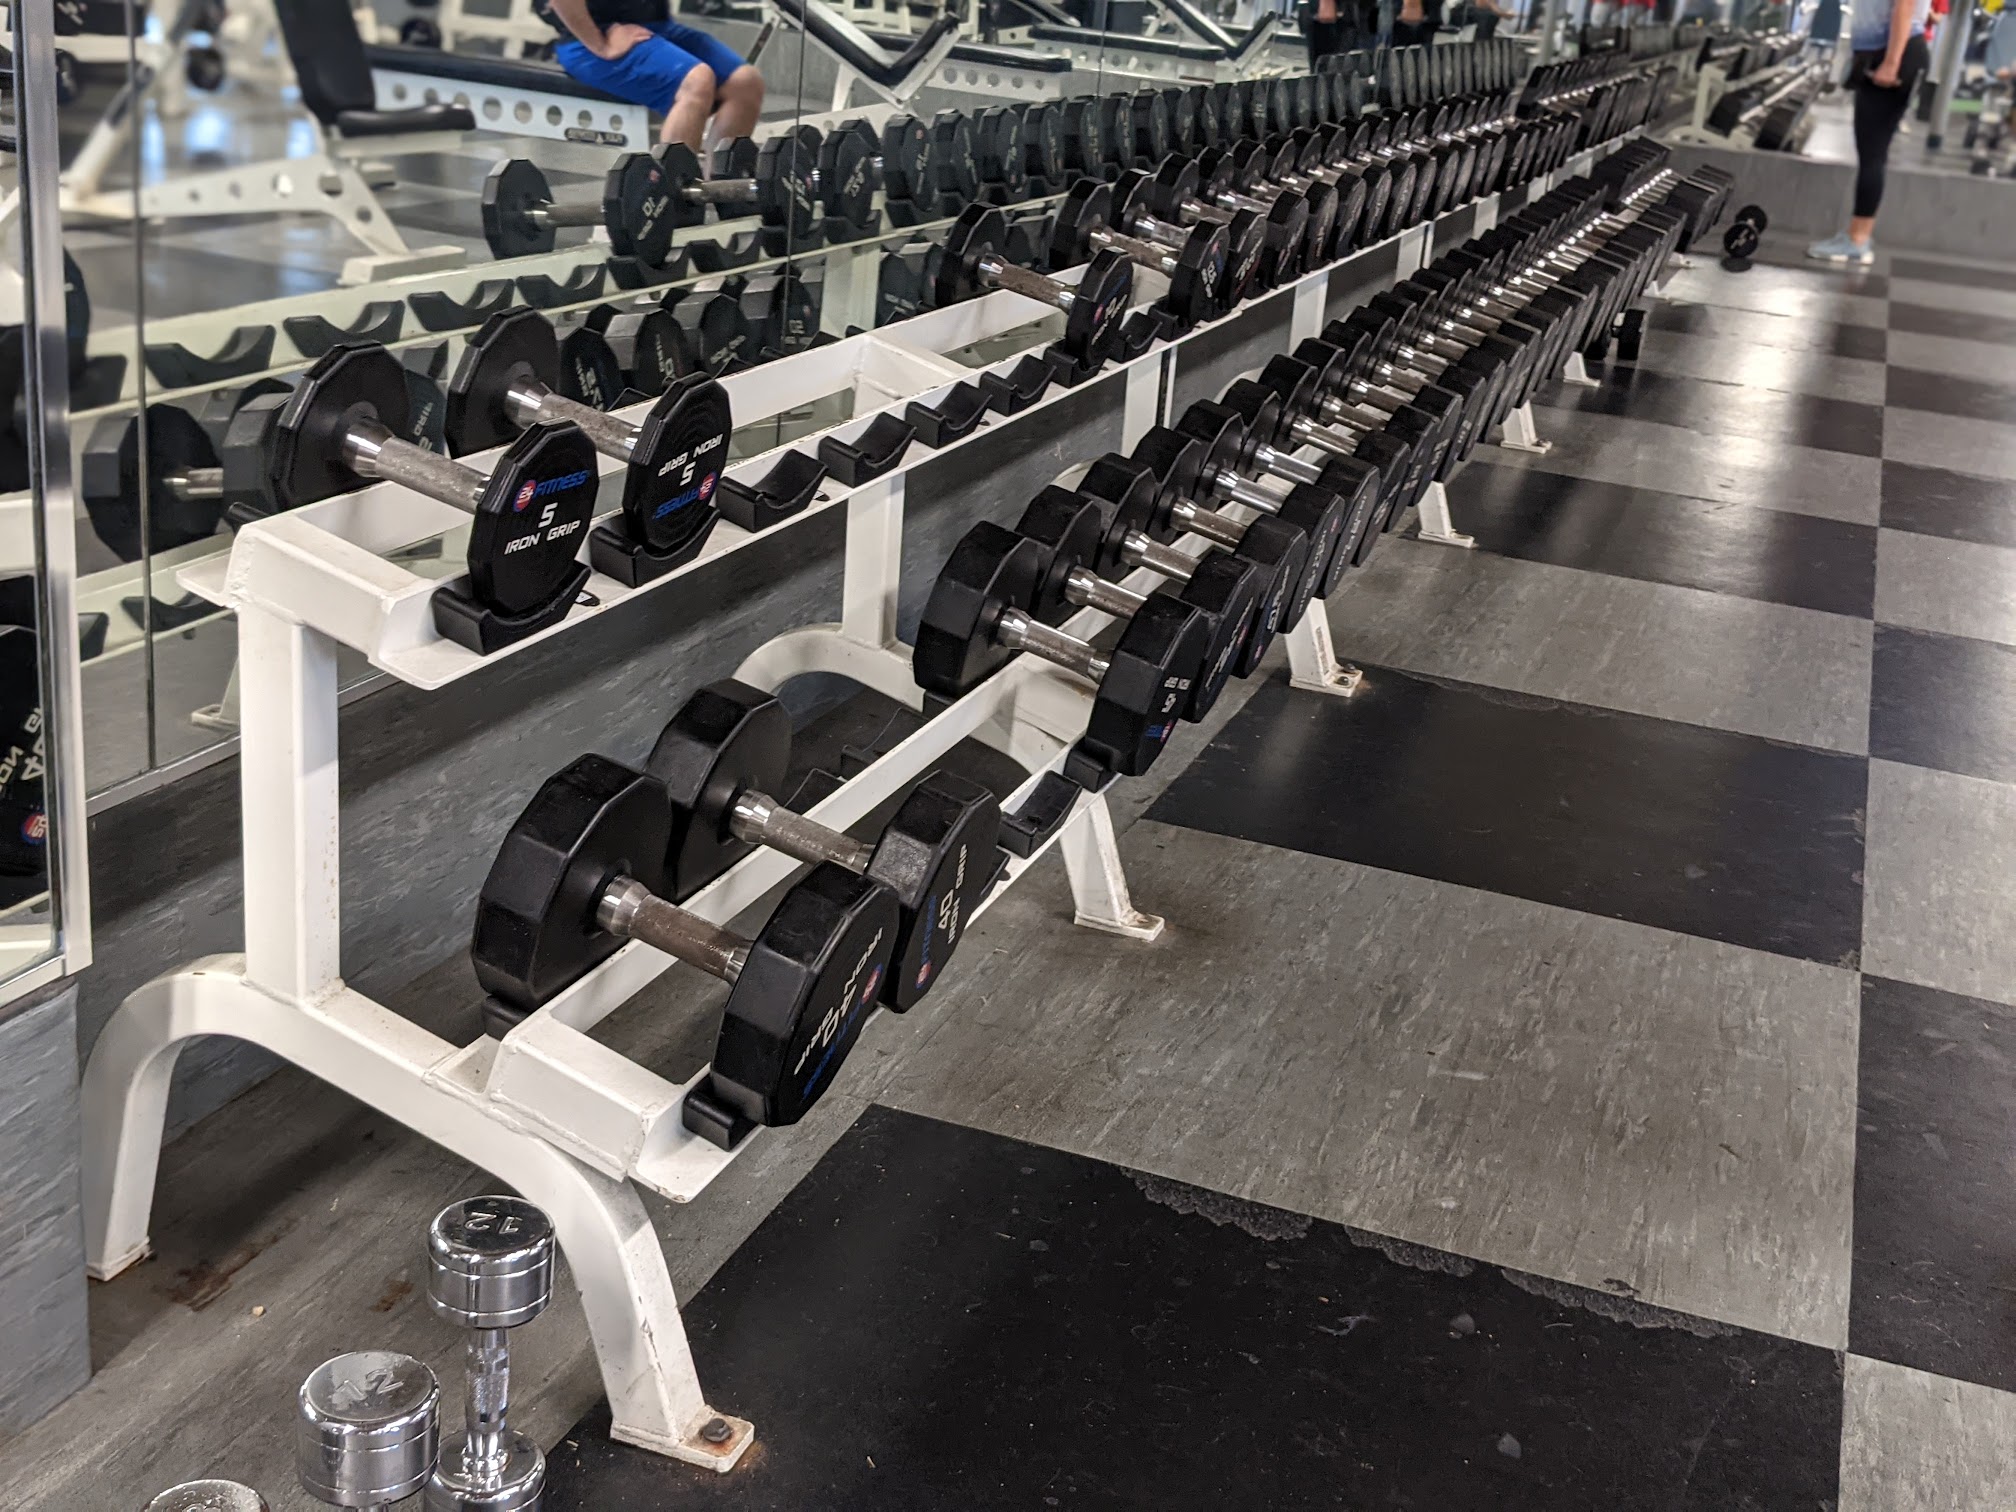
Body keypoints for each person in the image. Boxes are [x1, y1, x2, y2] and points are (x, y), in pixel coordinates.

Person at [543, 0, 765, 150]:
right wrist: (601, 45)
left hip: (656, 27)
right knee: (696, 81)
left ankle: (723, 187)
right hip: (591, 40)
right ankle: (675, 195)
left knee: (745, 82)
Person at [1807, 0, 1932, 261]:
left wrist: (1891, 63)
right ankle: (1858, 234)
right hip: (1884, 51)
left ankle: (1858, 239)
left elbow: (1905, 5)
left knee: (1872, 152)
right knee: (1871, 151)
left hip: (1892, 54)